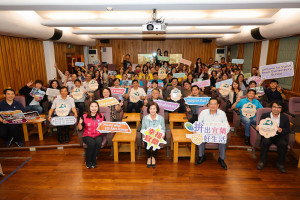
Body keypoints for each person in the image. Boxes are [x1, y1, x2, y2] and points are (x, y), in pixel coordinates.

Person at [196, 98, 230, 170]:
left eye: (215, 104)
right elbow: (199, 123)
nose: (213, 106)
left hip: (217, 133)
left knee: (223, 139)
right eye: (211, 104)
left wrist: (225, 132)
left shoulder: (222, 113)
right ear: (208, 105)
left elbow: (227, 125)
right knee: (199, 137)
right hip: (206, 133)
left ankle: (221, 159)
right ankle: (201, 156)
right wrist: (196, 130)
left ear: (218, 105)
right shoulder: (203, 112)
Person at [256, 101, 290, 173]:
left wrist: (281, 130)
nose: (276, 109)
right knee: (265, 142)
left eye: (278, 107)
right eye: (274, 107)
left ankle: (280, 163)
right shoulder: (265, 116)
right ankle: (262, 161)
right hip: (267, 135)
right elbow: (260, 126)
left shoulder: (285, 117)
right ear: (271, 107)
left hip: (279, 136)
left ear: (281, 109)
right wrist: (258, 128)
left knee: (283, 143)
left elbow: (288, 130)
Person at [77, 101, 105, 169]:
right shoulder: (84, 116)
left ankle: (94, 160)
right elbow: (80, 129)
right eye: (92, 106)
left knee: (98, 143)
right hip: (87, 135)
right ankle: (88, 161)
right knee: (92, 143)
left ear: (98, 108)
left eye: (95, 106)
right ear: (89, 108)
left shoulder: (102, 116)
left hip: (98, 134)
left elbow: (105, 126)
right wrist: (80, 123)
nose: (94, 108)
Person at [141, 102, 165, 168]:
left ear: (156, 110)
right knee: (146, 140)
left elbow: (163, 129)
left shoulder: (161, 118)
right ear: (148, 110)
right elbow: (143, 128)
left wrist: (162, 135)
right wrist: (144, 134)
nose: (152, 110)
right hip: (148, 135)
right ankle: (149, 157)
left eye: (154, 109)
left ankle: (153, 157)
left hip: (157, 136)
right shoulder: (145, 118)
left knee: (156, 140)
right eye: (151, 109)